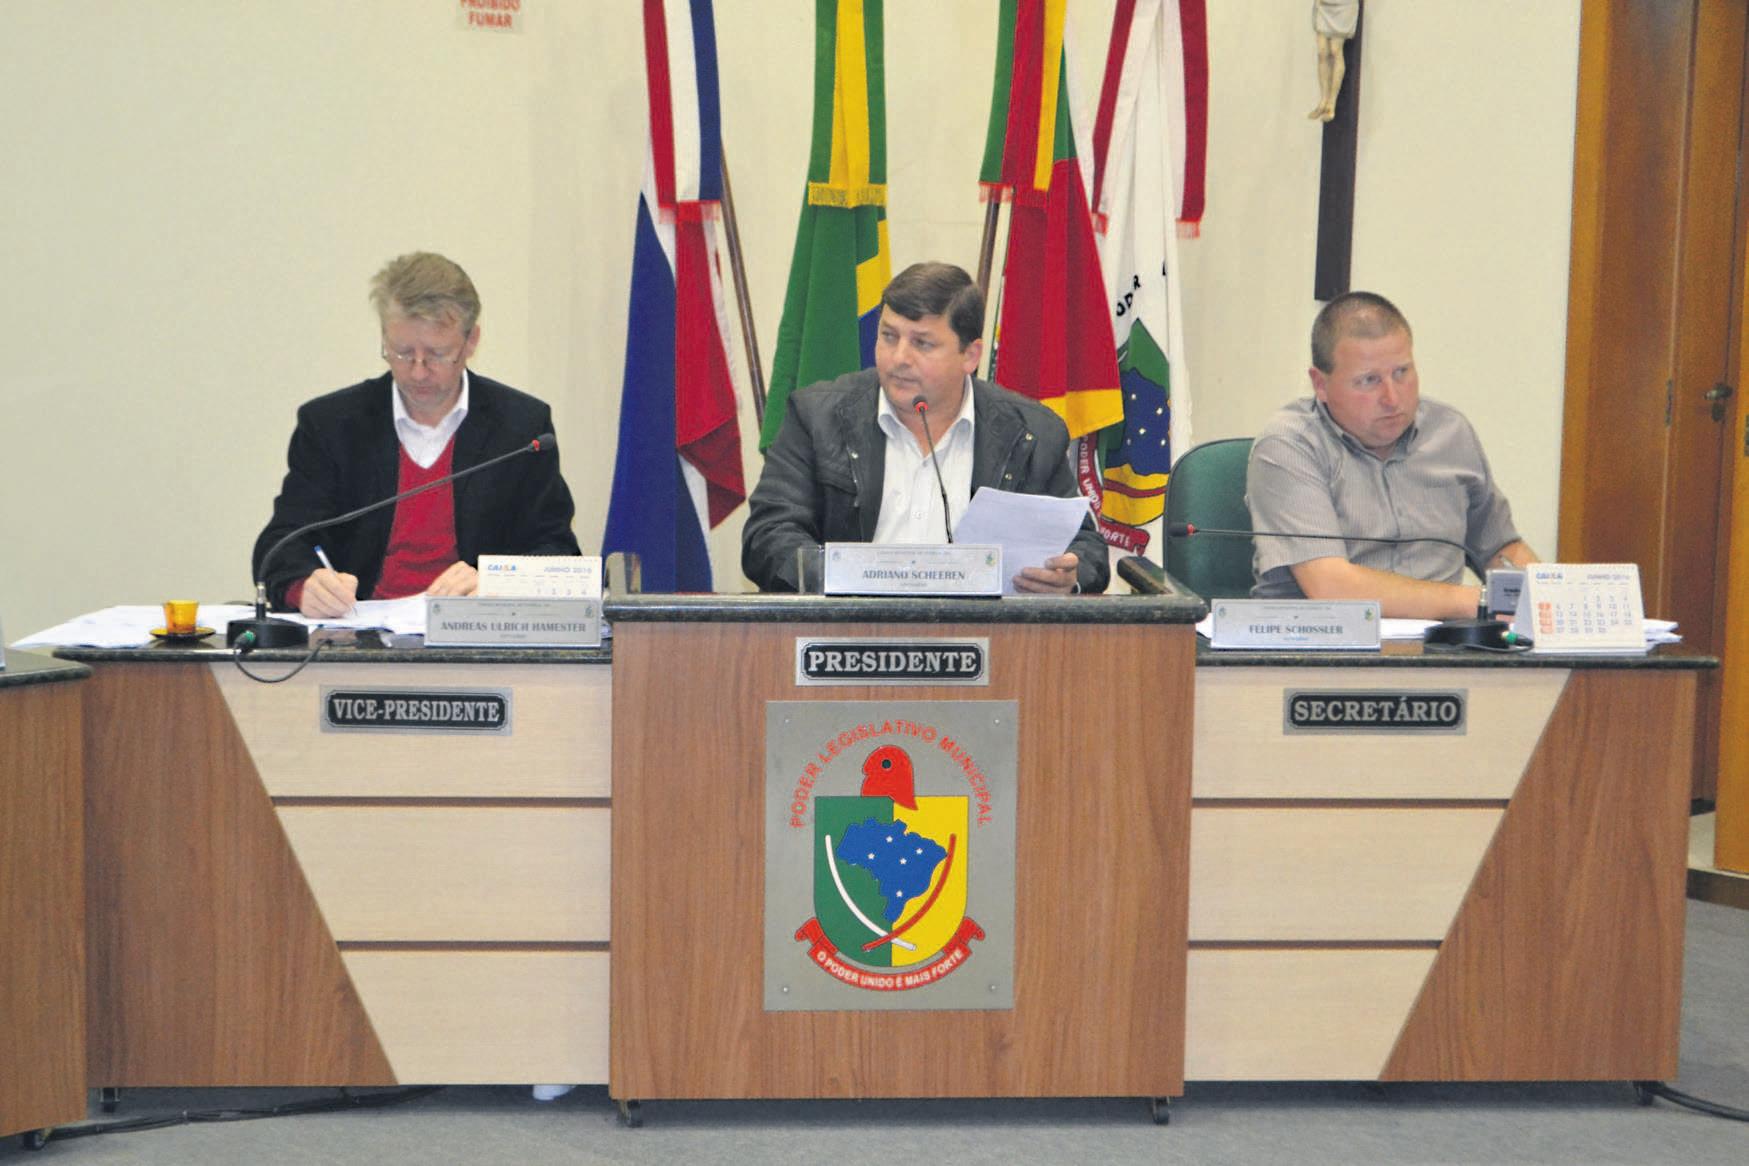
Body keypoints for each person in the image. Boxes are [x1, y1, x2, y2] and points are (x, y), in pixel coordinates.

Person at [741, 262, 1109, 594]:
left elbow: (1085, 546)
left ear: (970, 355)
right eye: (889, 336)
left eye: (922, 343)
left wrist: (1069, 575)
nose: (899, 358)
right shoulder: (816, 417)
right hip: (847, 634)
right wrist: (843, 579)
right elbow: (768, 534)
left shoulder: (1031, 433)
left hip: (983, 637)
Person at [253, 252, 580, 615]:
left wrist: (498, 582)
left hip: (474, 633)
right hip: (359, 634)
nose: (418, 372)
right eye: (402, 353)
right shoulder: (333, 425)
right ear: (384, 337)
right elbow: (281, 544)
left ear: (471, 341)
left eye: (437, 354)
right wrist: (306, 587)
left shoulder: (521, 427)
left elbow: (558, 551)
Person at [1247, 291, 1536, 619]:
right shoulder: (1290, 446)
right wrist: (1479, 602)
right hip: (1326, 643)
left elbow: (1500, 549)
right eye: (1369, 381)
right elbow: (1331, 586)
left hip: (1445, 642)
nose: (1392, 398)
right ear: (1320, 384)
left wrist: (1551, 598)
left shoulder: (1449, 432)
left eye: (1402, 373)